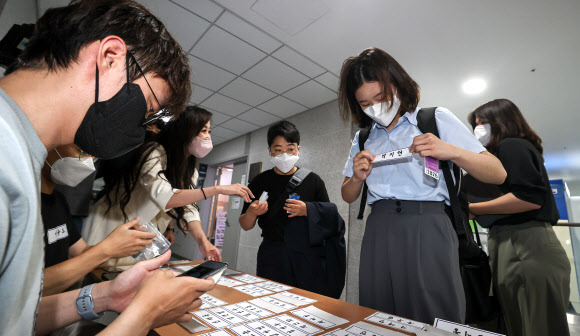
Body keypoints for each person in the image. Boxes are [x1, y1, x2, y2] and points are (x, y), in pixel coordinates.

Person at [0, 0, 215, 334]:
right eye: (148, 109)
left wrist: (106, 297)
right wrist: (143, 316)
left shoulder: (20, 156)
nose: (142, 128)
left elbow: (12, 312)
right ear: (110, 58)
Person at [338, 47, 507, 324]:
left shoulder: (433, 119)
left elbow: (497, 173)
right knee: (378, 311)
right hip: (378, 226)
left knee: (433, 312)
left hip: (427, 222)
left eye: (380, 97)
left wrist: (450, 150)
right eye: (365, 104)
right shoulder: (363, 138)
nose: (374, 107)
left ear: (398, 84)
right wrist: (356, 177)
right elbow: (347, 194)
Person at [83, 105, 253, 265]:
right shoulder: (154, 153)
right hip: (110, 225)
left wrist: (204, 242)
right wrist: (217, 189)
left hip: (135, 236)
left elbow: (188, 209)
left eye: (209, 131)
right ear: (186, 131)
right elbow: (166, 196)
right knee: (91, 274)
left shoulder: (189, 169)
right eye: (203, 131)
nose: (208, 136)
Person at [467, 99, 570, 336]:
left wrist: (474, 209)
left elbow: (529, 198)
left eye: (483, 122)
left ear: (501, 121)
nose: (478, 128)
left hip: (525, 242)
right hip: (512, 243)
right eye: (476, 123)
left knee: (538, 327)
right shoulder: (507, 152)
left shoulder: (512, 145)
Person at [41, 144, 157, 296]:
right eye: (80, 151)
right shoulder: (22, 207)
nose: (87, 161)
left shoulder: (58, 200)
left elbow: (80, 251)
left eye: (92, 156)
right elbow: (29, 287)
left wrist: (119, 244)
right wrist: (107, 249)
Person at [239, 121, 332, 292]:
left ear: (298, 149)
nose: (284, 155)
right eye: (278, 150)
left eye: (290, 149)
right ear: (270, 151)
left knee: (305, 302)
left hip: (306, 254)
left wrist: (308, 210)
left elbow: (329, 219)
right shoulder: (259, 181)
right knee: (269, 300)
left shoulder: (313, 180)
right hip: (272, 253)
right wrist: (252, 212)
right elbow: (245, 225)